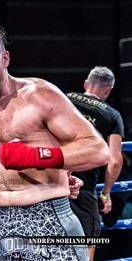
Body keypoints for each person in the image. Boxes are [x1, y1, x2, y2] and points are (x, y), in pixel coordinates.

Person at [0, 20, 110, 261]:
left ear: (5, 59)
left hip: (49, 218)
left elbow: (99, 151)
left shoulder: (39, 95)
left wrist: (35, 157)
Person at [66, 66, 124, 261]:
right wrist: (106, 193)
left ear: (85, 85)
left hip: (52, 180)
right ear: (108, 90)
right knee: (88, 241)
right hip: (83, 188)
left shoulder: (62, 99)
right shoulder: (112, 115)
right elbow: (115, 161)